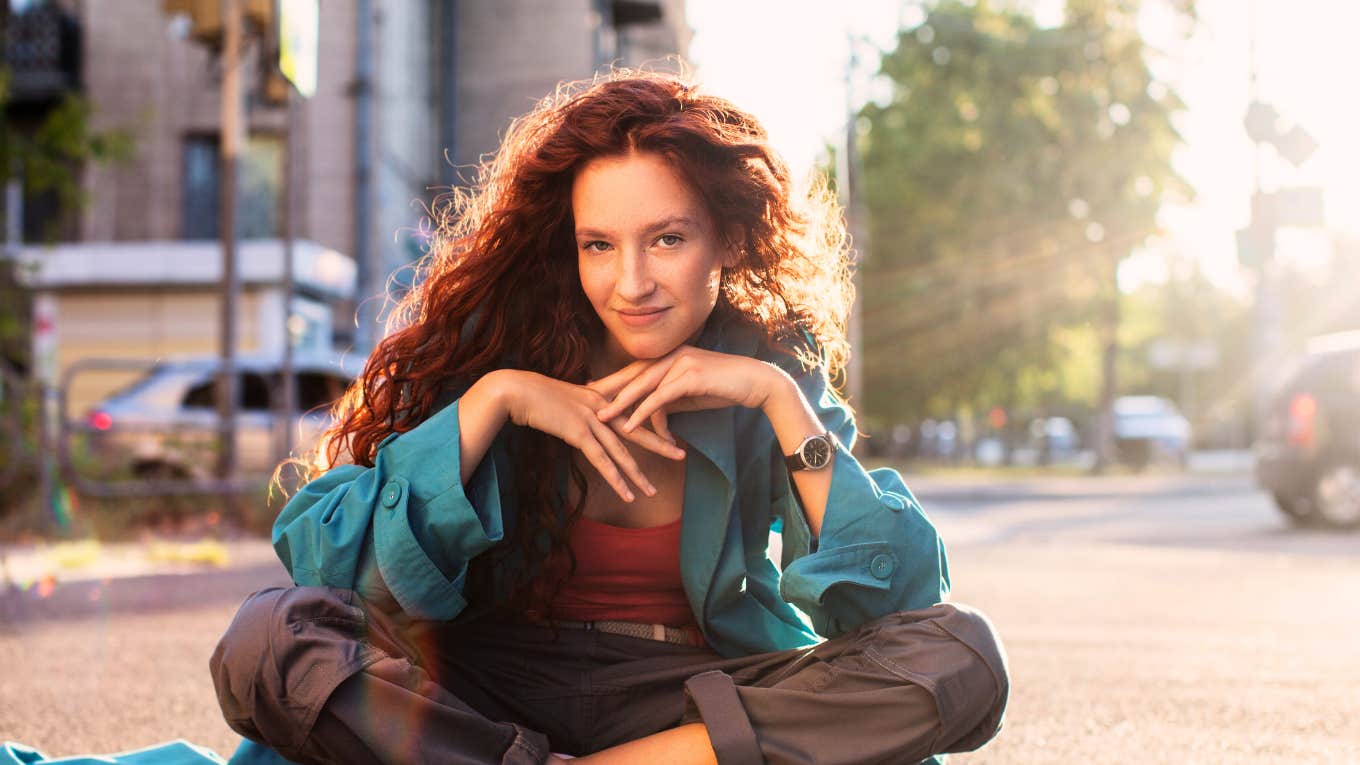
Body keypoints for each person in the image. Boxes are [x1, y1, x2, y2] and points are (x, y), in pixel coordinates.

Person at [209, 70, 1009, 765]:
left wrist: (777, 400)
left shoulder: (767, 369)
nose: (632, 283)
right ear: (569, 247)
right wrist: (497, 402)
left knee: (960, 653)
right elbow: (332, 570)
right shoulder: (493, 352)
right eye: (599, 245)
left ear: (727, 238)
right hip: (485, 692)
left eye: (666, 239)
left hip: (689, 697)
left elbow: (899, 603)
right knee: (271, 636)